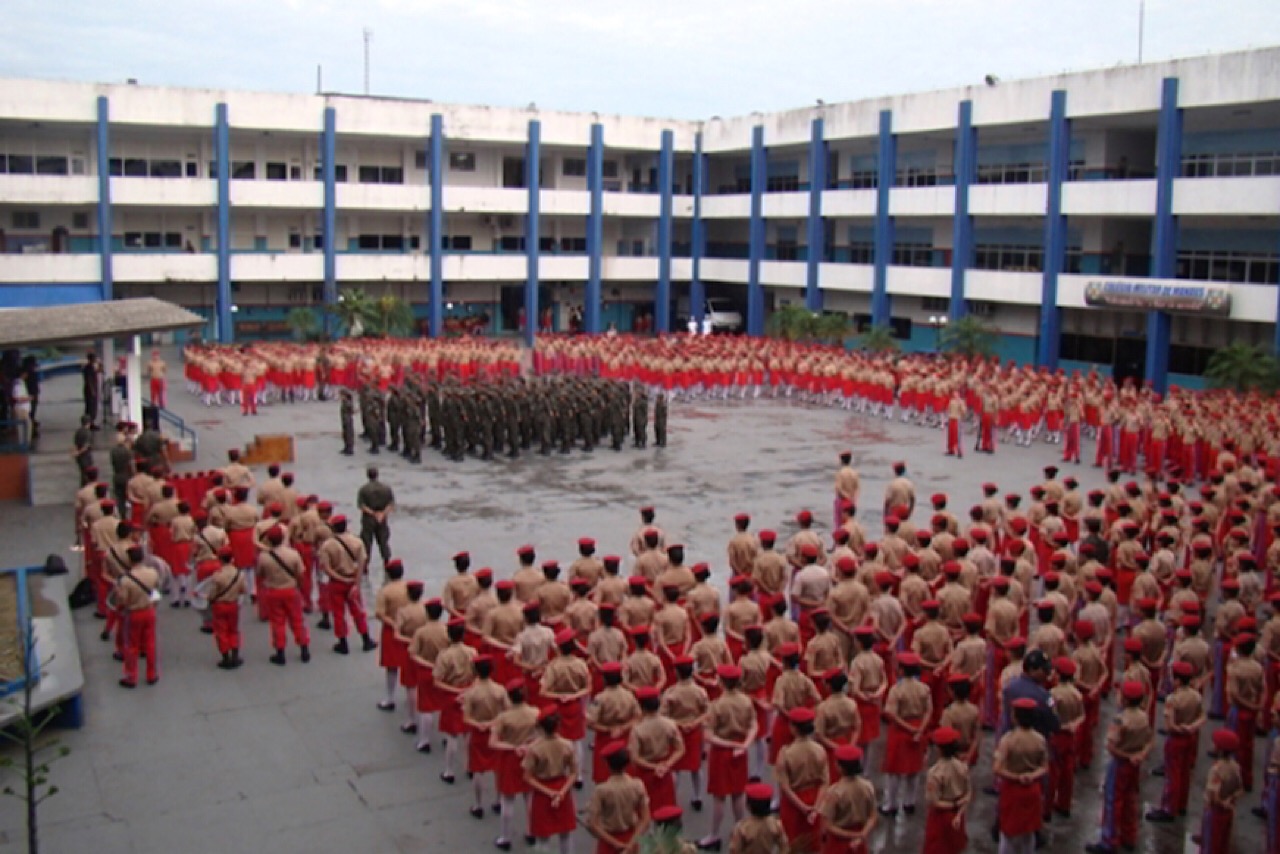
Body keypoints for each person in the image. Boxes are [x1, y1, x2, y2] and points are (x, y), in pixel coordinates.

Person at [1086, 680, 1154, 854]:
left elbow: (1111, 746)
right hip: (1134, 765)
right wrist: (1140, 756)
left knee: (1113, 800)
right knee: (1130, 799)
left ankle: (1109, 839)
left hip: (1121, 763)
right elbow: (1149, 740)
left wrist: (1128, 756)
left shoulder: (1121, 720)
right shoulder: (1144, 716)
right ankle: (1129, 836)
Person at [699, 664, 758, 850]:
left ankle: (714, 834)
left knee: (719, 796)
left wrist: (732, 744)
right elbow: (754, 726)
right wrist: (745, 745)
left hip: (722, 751)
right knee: (739, 792)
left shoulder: (717, 705)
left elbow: (708, 735)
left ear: (722, 682)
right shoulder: (746, 701)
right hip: (740, 751)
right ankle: (740, 831)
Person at [993, 697, 1049, 854]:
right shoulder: (1039, 739)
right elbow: (1044, 767)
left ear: (1015, 717)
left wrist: (1016, 777)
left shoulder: (1008, 740)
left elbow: (997, 768)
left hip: (1012, 789)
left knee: (1008, 833)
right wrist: (1031, 776)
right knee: (1028, 832)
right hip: (1032, 790)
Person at [317, 515, 377, 655]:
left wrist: (340, 578)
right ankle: (366, 639)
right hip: (353, 581)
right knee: (358, 611)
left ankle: (343, 643)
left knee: (338, 613)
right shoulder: (356, 541)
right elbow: (362, 563)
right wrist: (356, 582)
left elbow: (326, 567)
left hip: (337, 583)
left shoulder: (327, 545)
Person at [522, 707, 579, 854]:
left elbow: (528, 777)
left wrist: (550, 793)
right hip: (562, 788)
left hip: (542, 791)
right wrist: (561, 793)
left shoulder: (534, 748)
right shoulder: (567, 745)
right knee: (565, 834)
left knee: (542, 837)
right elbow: (573, 773)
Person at [256, 524, 311, 666]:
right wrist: (298, 586)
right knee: (297, 621)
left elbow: (260, 574)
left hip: (273, 591)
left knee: (277, 623)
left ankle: (280, 652)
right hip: (291, 590)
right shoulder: (293, 554)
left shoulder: (263, 557)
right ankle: (304, 648)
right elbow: (300, 574)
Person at [109, 544, 160, 688]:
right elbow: (156, 588)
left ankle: (131, 677)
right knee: (150, 643)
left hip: (134, 613)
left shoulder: (126, 580)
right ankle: (152, 674)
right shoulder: (152, 573)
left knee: (132, 645)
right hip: (149, 610)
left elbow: (122, 600)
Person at [586, 741, 651, 854]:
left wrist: (615, 843)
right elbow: (645, 819)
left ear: (608, 764)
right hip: (631, 838)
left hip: (608, 842)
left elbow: (593, 824)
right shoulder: (637, 785)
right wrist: (631, 844)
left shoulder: (602, 790)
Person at [923, 726, 970, 854]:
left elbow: (933, 801)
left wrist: (953, 804)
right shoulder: (962, 767)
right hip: (957, 814)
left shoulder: (935, 773)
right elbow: (968, 793)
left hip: (940, 816)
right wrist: (959, 809)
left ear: (939, 749)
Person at [1200, 729, 1244, 853]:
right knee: (1223, 845)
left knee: (1210, 845)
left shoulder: (1216, 769)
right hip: (1228, 812)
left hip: (1215, 813)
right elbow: (1240, 789)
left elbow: (1214, 796)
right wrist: (1230, 800)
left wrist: (1222, 803)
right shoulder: (1235, 766)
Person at [203, 546, 245, 669]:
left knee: (221, 632)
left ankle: (226, 657)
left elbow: (212, 594)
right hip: (233, 604)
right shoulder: (239, 574)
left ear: (220, 559)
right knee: (234, 630)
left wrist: (208, 599)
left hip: (220, 606)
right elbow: (243, 590)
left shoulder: (217, 576)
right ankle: (235, 655)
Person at [726, 782, 786, 854]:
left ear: (748, 806)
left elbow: (734, 850)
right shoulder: (776, 824)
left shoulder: (742, 827)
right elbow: (785, 846)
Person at [356, 465, 394, 573]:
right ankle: (387, 561)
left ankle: (365, 565)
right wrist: (382, 514)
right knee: (383, 541)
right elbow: (391, 504)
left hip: (369, 519)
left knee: (366, 542)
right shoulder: (386, 488)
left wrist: (373, 513)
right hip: (382, 518)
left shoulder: (364, 489)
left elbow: (361, 506)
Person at [71, 415, 94, 486]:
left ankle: (83, 487)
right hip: (85, 456)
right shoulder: (88, 433)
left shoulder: (78, 431)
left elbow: (75, 444)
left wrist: (74, 453)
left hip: (79, 458)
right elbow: (86, 446)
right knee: (87, 473)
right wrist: (78, 452)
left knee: (82, 473)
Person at [83, 351, 102, 430]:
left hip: (93, 389)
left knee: (93, 407)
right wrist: (92, 390)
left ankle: (91, 422)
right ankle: (89, 423)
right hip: (90, 390)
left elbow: (100, 371)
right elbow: (89, 380)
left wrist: (100, 364)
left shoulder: (92, 367)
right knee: (91, 407)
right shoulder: (88, 368)